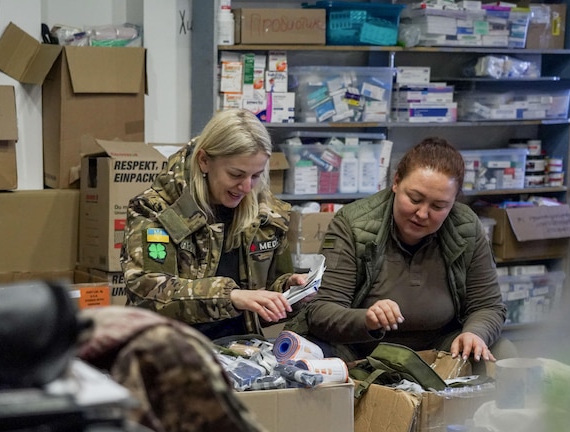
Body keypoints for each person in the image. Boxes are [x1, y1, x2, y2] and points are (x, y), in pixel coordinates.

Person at [285, 137, 512, 365]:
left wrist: (475, 333)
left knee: (503, 350)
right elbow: (322, 311)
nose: (422, 213)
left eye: (438, 206)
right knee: (309, 356)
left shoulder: (466, 228)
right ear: (395, 182)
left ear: (453, 203)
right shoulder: (353, 225)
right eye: (414, 199)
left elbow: (488, 306)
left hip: (441, 349)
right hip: (361, 351)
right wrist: (367, 319)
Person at [120, 109, 313, 339]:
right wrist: (230, 296)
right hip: (168, 348)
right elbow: (148, 291)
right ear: (204, 161)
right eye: (235, 174)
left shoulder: (267, 215)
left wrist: (289, 290)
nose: (246, 187)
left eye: (255, 176)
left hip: (240, 349)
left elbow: (268, 288)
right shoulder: (157, 210)